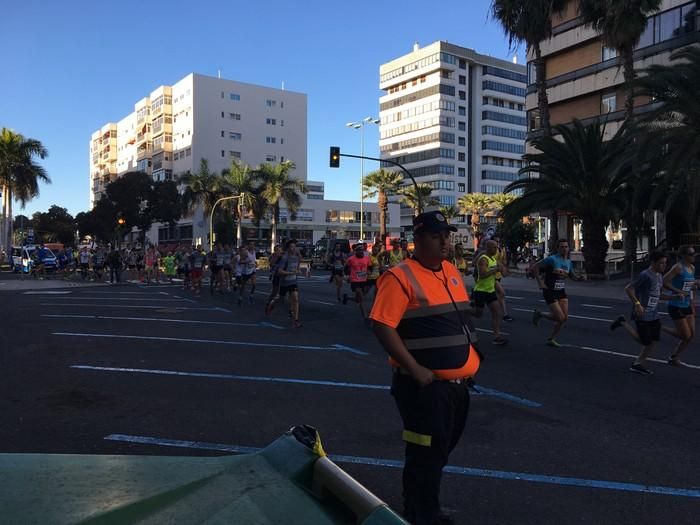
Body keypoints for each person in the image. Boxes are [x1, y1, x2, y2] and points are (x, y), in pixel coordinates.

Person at [370, 210, 481, 525]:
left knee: (439, 453)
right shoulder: (400, 277)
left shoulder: (450, 270)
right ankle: (420, 514)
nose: (445, 241)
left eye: (447, 234)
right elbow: (381, 326)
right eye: (436, 235)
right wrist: (415, 369)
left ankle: (426, 507)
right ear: (418, 239)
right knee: (424, 455)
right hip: (423, 388)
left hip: (456, 387)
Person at [610, 251, 683, 374]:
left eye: (665, 263)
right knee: (645, 341)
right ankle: (622, 322)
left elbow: (658, 295)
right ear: (653, 263)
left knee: (654, 340)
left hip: (653, 313)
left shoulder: (659, 276)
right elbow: (629, 288)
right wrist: (637, 304)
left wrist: (674, 297)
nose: (664, 266)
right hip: (642, 313)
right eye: (661, 263)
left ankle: (638, 363)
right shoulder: (645, 275)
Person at [531, 239, 585, 347]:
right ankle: (540, 314)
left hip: (561, 291)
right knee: (560, 318)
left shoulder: (569, 262)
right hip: (549, 291)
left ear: (569, 248)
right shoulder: (552, 259)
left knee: (564, 318)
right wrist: (540, 282)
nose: (564, 249)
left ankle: (551, 339)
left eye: (566, 247)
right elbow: (535, 267)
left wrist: (580, 278)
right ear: (557, 248)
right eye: (562, 247)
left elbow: (572, 276)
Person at [662, 245, 698, 366]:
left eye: (694, 254)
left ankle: (674, 357)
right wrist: (677, 291)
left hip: (687, 304)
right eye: (691, 254)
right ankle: (658, 326)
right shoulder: (678, 268)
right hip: (676, 305)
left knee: (691, 335)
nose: (694, 256)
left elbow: (689, 286)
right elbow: (664, 281)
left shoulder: (692, 268)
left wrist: (692, 303)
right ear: (683, 256)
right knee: (685, 335)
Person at [472, 239, 508, 345]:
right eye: (494, 247)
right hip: (480, 291)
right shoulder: (483, 259)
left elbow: (504, 273)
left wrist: (504, 269)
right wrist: (496, 270)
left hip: (490, 291)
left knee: (497, 313)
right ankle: (463, 312)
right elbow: (482, 275)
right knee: (478, 314)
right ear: (488, 248)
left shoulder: (493, 259)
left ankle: (497, 336)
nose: (496, 249)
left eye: (496, 247)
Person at [267, 239, 303, 328]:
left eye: (295, 247)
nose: (293, 248)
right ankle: (271, 304)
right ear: (288, 248)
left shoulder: (297, 257)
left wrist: (298, 271)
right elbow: (280, 271)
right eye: (291, 247)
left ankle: (296, 320)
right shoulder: (285, 258)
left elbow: (297, 267)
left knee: (295, 298)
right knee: (280, 299)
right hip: (284, 282)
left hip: (293, 282)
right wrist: (290, 273)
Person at [343, 243, 372, 324]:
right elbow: (345, 268)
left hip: (364, 280)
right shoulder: (351, 259)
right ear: (355, 251)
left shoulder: (367, 258)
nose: (360, 252)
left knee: (357, 299)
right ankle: (366, 317)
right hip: (355, 281)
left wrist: (369, 271)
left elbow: (370, 267)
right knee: (362, 298)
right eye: (358, 250)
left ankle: (347, 297)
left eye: (361, 250)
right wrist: (348, 276)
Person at [493, 237, 513, 322]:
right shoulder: (491, 251)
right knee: (501, 294)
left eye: (498, 241)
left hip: (498, 275)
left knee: (498, 296)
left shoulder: (501, 250)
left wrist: (505, 268)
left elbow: (504, 262)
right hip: (491, 276)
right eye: (495, 241)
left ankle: (503, 314)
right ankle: (504, 314)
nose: (497, 243)